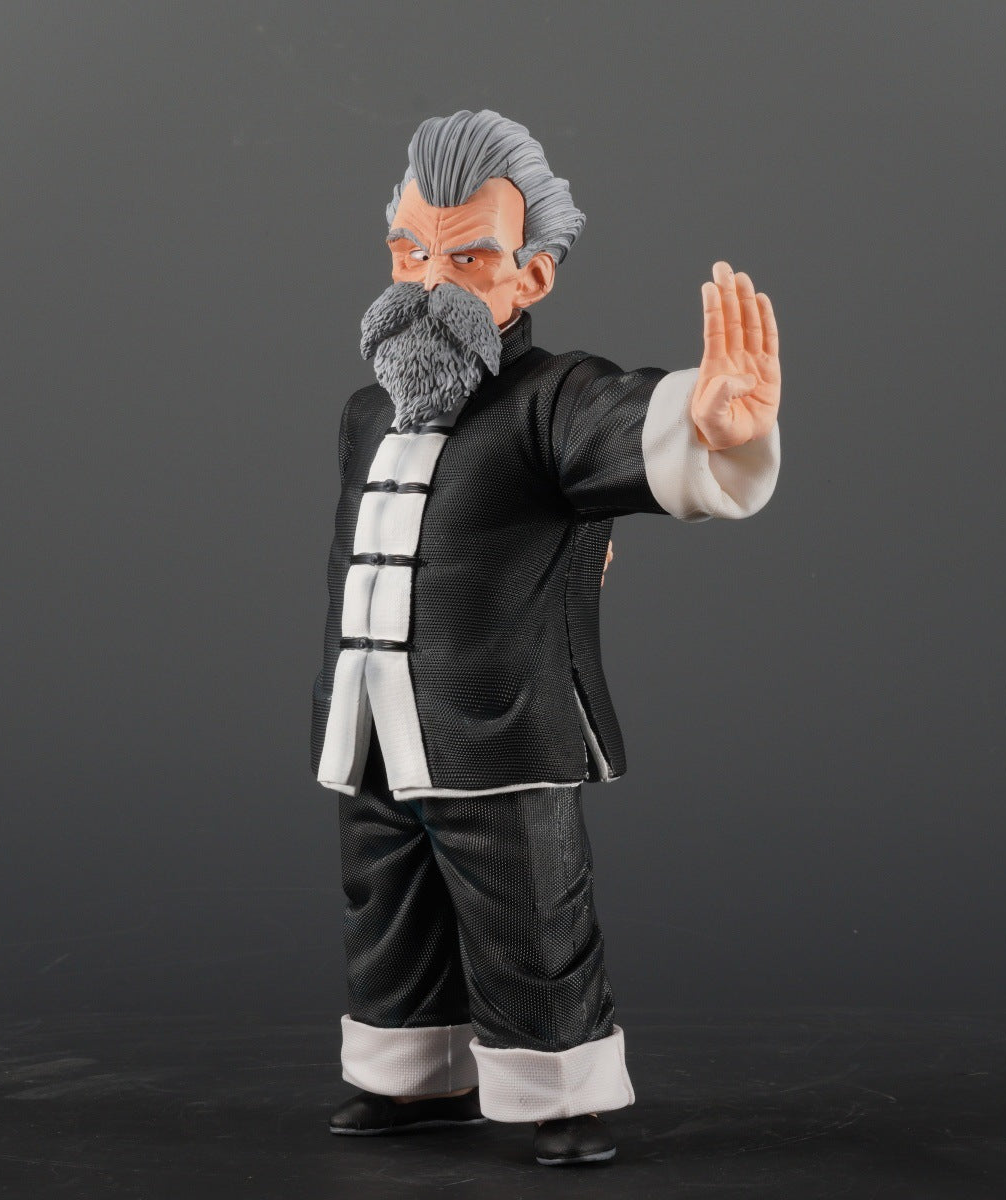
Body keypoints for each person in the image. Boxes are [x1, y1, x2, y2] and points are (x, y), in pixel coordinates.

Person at [312, 109, 781, 1166]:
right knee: (387, 908)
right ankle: (408, 1073)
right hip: (371, 723)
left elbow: (630, 425)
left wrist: (707, 424)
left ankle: (557, 1089)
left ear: (530, 276)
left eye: (467, 257)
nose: (428, 281)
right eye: (410, 252)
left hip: (501, 726)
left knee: (527, 914)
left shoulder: (552, 403)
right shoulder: (364, 414)